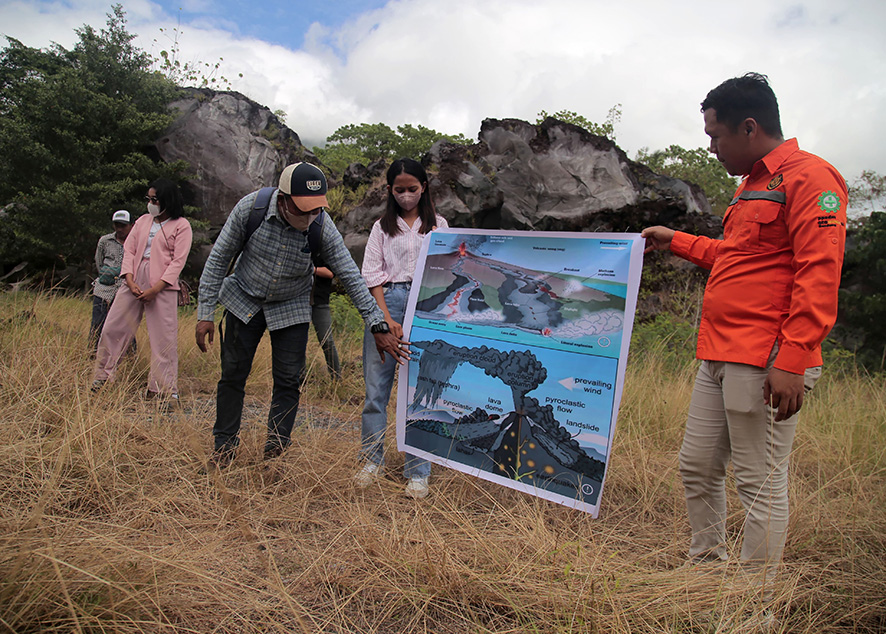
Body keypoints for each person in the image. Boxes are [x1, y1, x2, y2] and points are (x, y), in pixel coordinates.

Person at [641, 73, 847, 593]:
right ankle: (706, 569)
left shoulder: (812, 178)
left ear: (750, 127)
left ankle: (753, 599)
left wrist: (793, 357)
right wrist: (677, 241)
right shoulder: (750, 186)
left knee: (759, 482)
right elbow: (737, 257)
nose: (711, 148)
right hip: (718, 353)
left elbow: (819, 273)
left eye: (715, 135)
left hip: (765, 358)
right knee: (696, 465)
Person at [195, 162, 407, 465]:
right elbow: (219, 260)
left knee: (289, 380)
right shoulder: (250, 210)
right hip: (244, 298)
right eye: (303, 210)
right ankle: (224, 447)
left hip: (291, 305)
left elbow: (350, 275)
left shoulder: (321, 226)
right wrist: (204, 313)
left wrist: (378, 324)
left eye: (316, 210)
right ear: (283, 200)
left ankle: (275, 451)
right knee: (232, 375)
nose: (310, 218)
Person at [355, 158, 449, 499]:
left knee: (422, 391)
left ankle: (418, 471)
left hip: (427, 302)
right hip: (388, 300)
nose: (406, 196)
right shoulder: (382, 227)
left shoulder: (439, 226)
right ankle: (371, 461)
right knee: (376, 390)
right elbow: (371, 274)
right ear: (390, 190)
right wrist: (383, 318)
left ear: (423, 187)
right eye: (399, 190)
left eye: (412, 189)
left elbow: (447, 267)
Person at [93, 179, 193, 399]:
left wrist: (156, 288)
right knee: (113, 327)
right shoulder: (142, 221)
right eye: (148, 199)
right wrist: (128, 278)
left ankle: (162, 389)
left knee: (163, 338)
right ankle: (102, 377)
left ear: (167, 200)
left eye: (154, 199)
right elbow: (129, 250)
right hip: (134, 279)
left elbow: (178, 261)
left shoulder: (181, 225)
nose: (150, 203)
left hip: (163, 285)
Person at [89, 210, 133, 354]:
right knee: (98, 323)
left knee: (126, 325)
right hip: (104, 287)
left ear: (131, 226)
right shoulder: (105, 241)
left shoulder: (135, 243)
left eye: (123, 225)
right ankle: (93, 354)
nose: (119, 229)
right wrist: (107, 275)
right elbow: (99, 262)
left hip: (125, 287)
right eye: (117, 225)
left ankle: (130, 357)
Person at [310, 255, 342, 381]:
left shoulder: (322, 246)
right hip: (299, 301)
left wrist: (310, 269)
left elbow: (329, 273)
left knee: (327, 340)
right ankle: (299, 378)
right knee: (297, 340)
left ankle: (336, 378)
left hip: (320, 300)